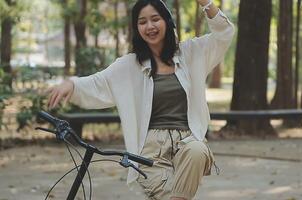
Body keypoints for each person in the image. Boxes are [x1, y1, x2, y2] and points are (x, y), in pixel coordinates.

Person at [47, 0, 235, 199]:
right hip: (149, 148)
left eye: (155, 19)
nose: (150, 26)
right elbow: (97, 83)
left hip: (188, 140)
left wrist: (206, 3)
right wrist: (71, 84)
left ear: (167, 21)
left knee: (198, 150)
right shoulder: (129, 65)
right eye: (142, 22)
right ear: (137, 28)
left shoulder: (192, 53)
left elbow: (223, 33)